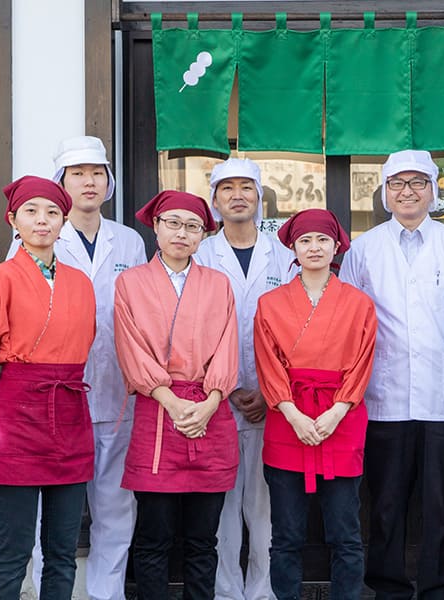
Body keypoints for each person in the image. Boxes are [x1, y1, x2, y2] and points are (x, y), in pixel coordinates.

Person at [7, 136, 146, 600]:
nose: (89, 182)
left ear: (110, 182)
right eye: (78, 174)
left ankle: (107, 593)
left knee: (114, 502)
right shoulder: (33, 239)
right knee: (54, 506)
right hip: (54, 395)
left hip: (117, 389)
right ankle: (52, 592)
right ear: (61, 183)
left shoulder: (128, 239)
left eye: (97, 173)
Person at [339, 149, 444, 599]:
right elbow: (347, 321)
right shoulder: (364, 248)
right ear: (384, 192)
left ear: (434, 190)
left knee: (441, 505)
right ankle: (388, 588)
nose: (407, 192)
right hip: (383, 396)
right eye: (398, 183)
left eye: (417, 183)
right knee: (385, 504)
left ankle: (439, 589)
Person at [0, 176, 96, 599]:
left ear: (64, 220)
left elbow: (86, 344)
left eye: (53, 212)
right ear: (13, 220)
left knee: (62, 550)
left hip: (70, 413)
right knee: (13, 550)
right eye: (32, 212)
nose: (43, 221)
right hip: (16, 414)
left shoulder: (81, 283)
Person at [113, 190, 240, 600]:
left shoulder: (218, 284)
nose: (182, 233)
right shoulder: (130, 283)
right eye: (173, 223)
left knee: (204, 540)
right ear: (156, 227)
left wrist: (210, 402)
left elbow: (228, 345)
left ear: (203, 235)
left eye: (192, 226)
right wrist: (169, 400)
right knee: (153, 537)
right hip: (157, 411)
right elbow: (129, 346)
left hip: (209, 410)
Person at [254, 208, 377, 600]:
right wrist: (291, 413)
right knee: (286, 533)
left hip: (341, 419)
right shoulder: (270, 303)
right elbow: (267, 363)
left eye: (322, 239)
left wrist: (338, 410)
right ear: (292, 246)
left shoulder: (359, 303)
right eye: (305, 240)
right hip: (287, 419)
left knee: (346, 532)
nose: (314, 247)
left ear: (337, 245)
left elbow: (363, 361)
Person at [194, 158, 296, 600]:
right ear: (214, 201)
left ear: (259, 196)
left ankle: (262, 591)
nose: (238, 195)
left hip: (272, 398)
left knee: (264, 505)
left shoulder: (285, 253)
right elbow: (187, 328)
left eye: (247, 187)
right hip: (212, 397)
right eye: (227, 188)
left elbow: (297, 327)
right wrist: (227, 388)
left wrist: (267, 389)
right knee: (221, 506)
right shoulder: (198, 251)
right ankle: (226, 592)